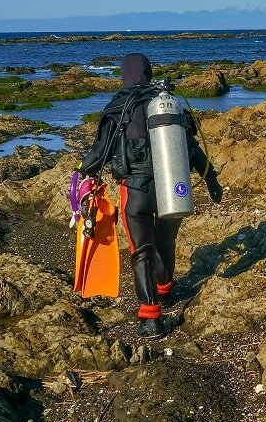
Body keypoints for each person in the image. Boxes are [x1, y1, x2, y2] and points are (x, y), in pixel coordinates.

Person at [79, 53, 223, 337]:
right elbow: (190, 148)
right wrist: (212, 181)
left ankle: (150, 317)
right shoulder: (168, 104)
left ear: (125, 74)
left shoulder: (120, 106)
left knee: (142, 250)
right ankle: (165, 289)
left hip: (136, 190)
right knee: (166, 238)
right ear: (148, 72)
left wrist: (84, 177)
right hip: (173, 185)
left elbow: (100, 151)